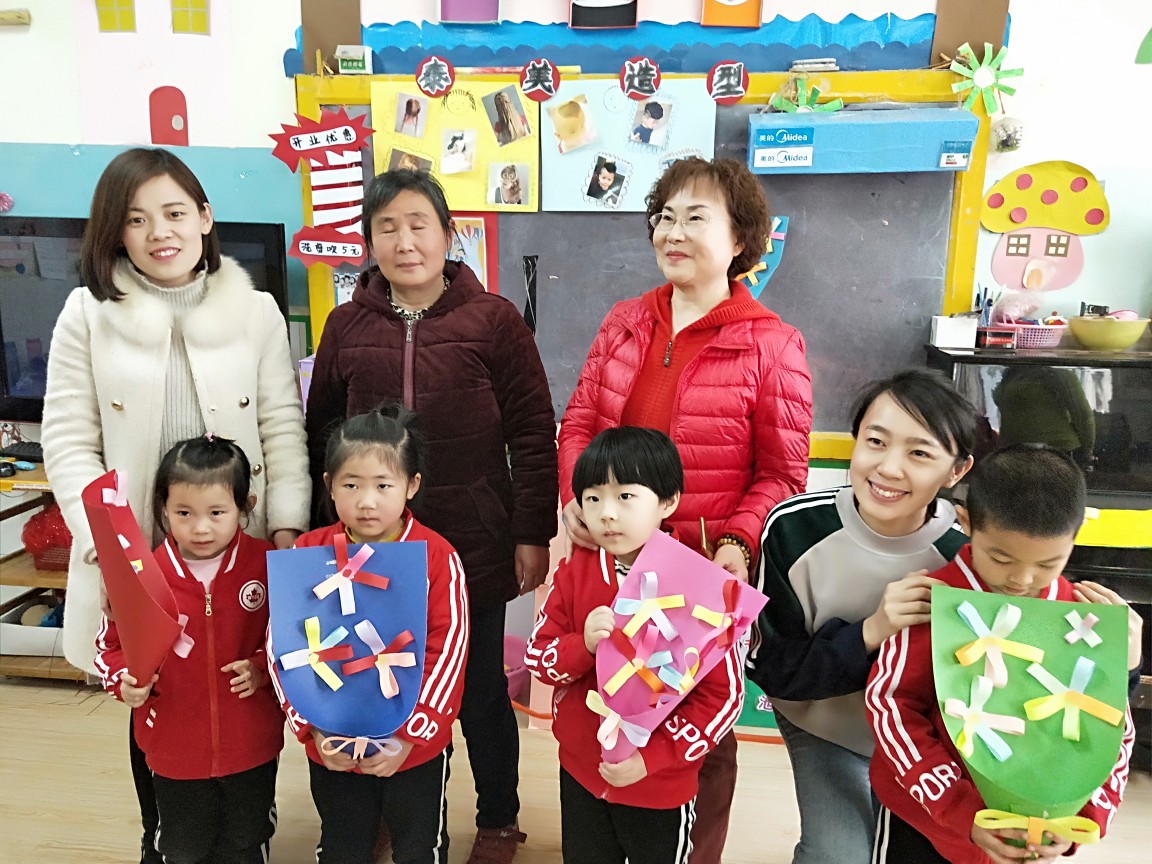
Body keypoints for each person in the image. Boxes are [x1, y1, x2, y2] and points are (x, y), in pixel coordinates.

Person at [41, 147, 309, 864]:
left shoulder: (254, 310)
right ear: (115, 232)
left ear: (205, 218)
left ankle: (247, 837)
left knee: (241, 690)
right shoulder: (87, 313)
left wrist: (286, 528)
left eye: (174, 213)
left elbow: (282, 427)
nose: (160, 232)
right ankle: (161, 839)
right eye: (136, 219)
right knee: (155, 693)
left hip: (240, 550)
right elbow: (67, 440)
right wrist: (108, 548)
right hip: (138, 554)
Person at [557, 156, 812, 864]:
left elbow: (782, 473)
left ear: (741, 239)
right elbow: (579, 423)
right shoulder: (625, 321)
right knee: (603, 695)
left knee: (696, 730)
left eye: (696, 218)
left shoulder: (772, 343)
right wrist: (574, 496)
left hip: (697, 573)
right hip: (606, 554)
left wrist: (740, 541)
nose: (673, 232)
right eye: (664, 217)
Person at [304, 169, 558, 863]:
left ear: (449, 234)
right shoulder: (346, 324)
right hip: (371, 548)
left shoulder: (494, 321)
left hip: (473, 541)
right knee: (376, 675)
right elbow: (320, 433)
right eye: (387, 227)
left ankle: (498, 818)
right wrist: (317, 537)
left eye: (419, 224)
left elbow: (533, 433)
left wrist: (532, 531)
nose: (404, 241)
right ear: (370, 240)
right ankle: (392, 807)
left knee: (478, 691)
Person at [867, 444, 1141, 864]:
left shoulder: (1082, 616)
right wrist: (960, 809)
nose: (1022, 580)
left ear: (1077, 536)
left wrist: (1078, 819)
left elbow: (1110, 726)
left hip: (1032, 832)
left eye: (1048, 563)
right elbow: (891, 707)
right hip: (926, 821)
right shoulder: (930, 601)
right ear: (965, 522)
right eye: (1000, 557)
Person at [746, 369, 977, 864]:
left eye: (919, 453)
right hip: (821, 720)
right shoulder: (794, 528)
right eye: (876, 441)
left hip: (922, 740)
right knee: (838, 856)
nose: (889, 468)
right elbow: (773, 669)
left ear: (956, 472)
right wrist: (871, 632)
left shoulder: (966, 555)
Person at [526, 426, 744, 864]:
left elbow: (723, 698)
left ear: (668, 501)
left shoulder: (701, 586)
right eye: (592, 498)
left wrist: (653, 757)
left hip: (660, 784)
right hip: (582, 772)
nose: (607, 514)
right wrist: (584, 647)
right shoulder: (575, 572)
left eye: (625, 496)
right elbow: (538, 658)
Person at [269, 405, 470, 864]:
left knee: (419, 847)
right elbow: (282, 644)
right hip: (333, 741)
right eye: (351, 485)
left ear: (411, 485)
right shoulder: (307, 550)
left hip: (413, 748)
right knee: (342, 845)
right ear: (329, 485)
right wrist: (310, 728)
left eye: (383, 485)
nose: (366, 501)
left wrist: (410, 737)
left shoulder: (437, 556)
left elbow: (448, 650)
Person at [94, 436, 284, 864]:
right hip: (172, 750)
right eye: (184, 513)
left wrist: (260, 668)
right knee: (181, 847)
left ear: (245, 506)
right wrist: (123, 680)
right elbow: (110, 645)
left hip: (252, 744)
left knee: (245, 842)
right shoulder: (141, 574)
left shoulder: (268, 564)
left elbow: (293, 639)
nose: (200, 528)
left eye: (217, 513)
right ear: (163, 509)